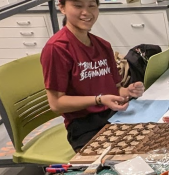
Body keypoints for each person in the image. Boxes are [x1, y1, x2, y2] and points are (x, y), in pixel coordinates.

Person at [42, 0, 145, 151]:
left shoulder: (103, 45)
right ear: (62, 8)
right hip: (85, 126)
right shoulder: (57, 49)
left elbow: (115, 90)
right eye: (78, 6)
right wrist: (99, 100)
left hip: (114, 116)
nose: (86, 12)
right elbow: (56, 103)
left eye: (91, 5)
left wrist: (127, 91)